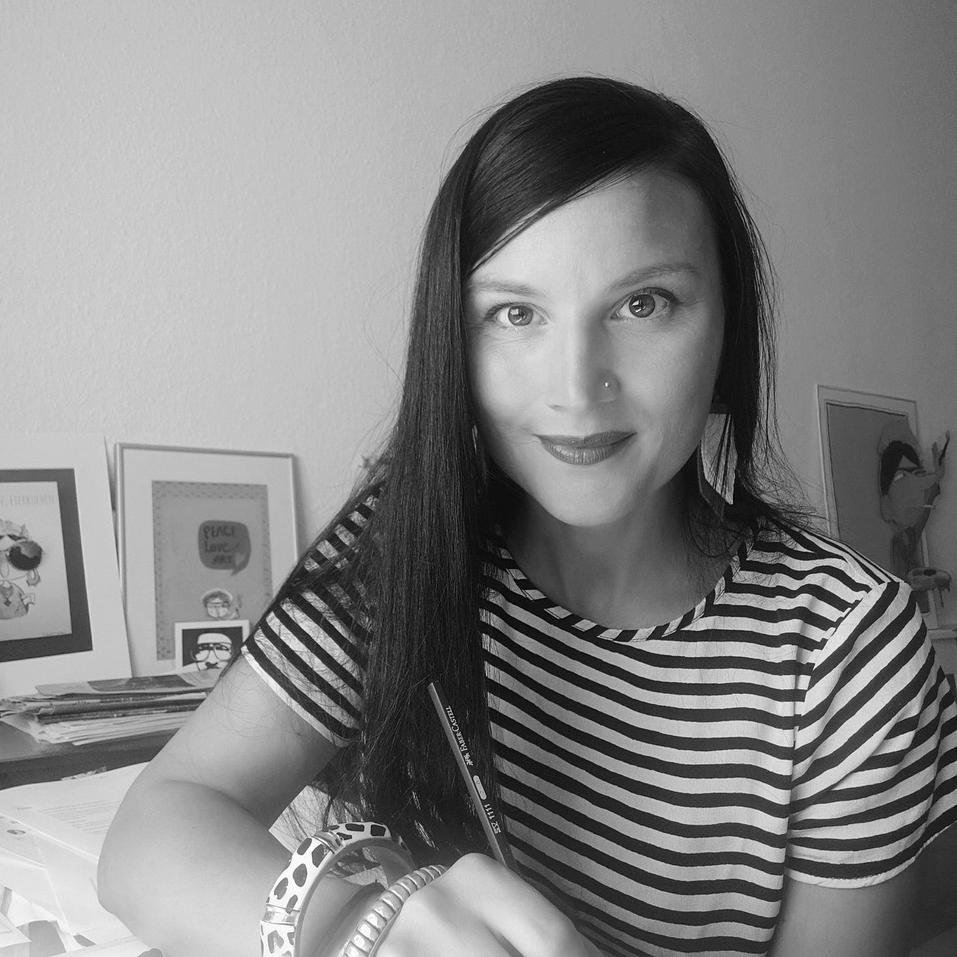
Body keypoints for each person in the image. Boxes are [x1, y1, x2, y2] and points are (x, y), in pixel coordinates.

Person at [98, 76, 957, 957]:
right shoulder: (403, 550)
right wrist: (365, 928)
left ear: (726, 324)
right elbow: (149, 836)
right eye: (514, 313)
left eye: (643, 303)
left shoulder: (844, 644)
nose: (576, 387)